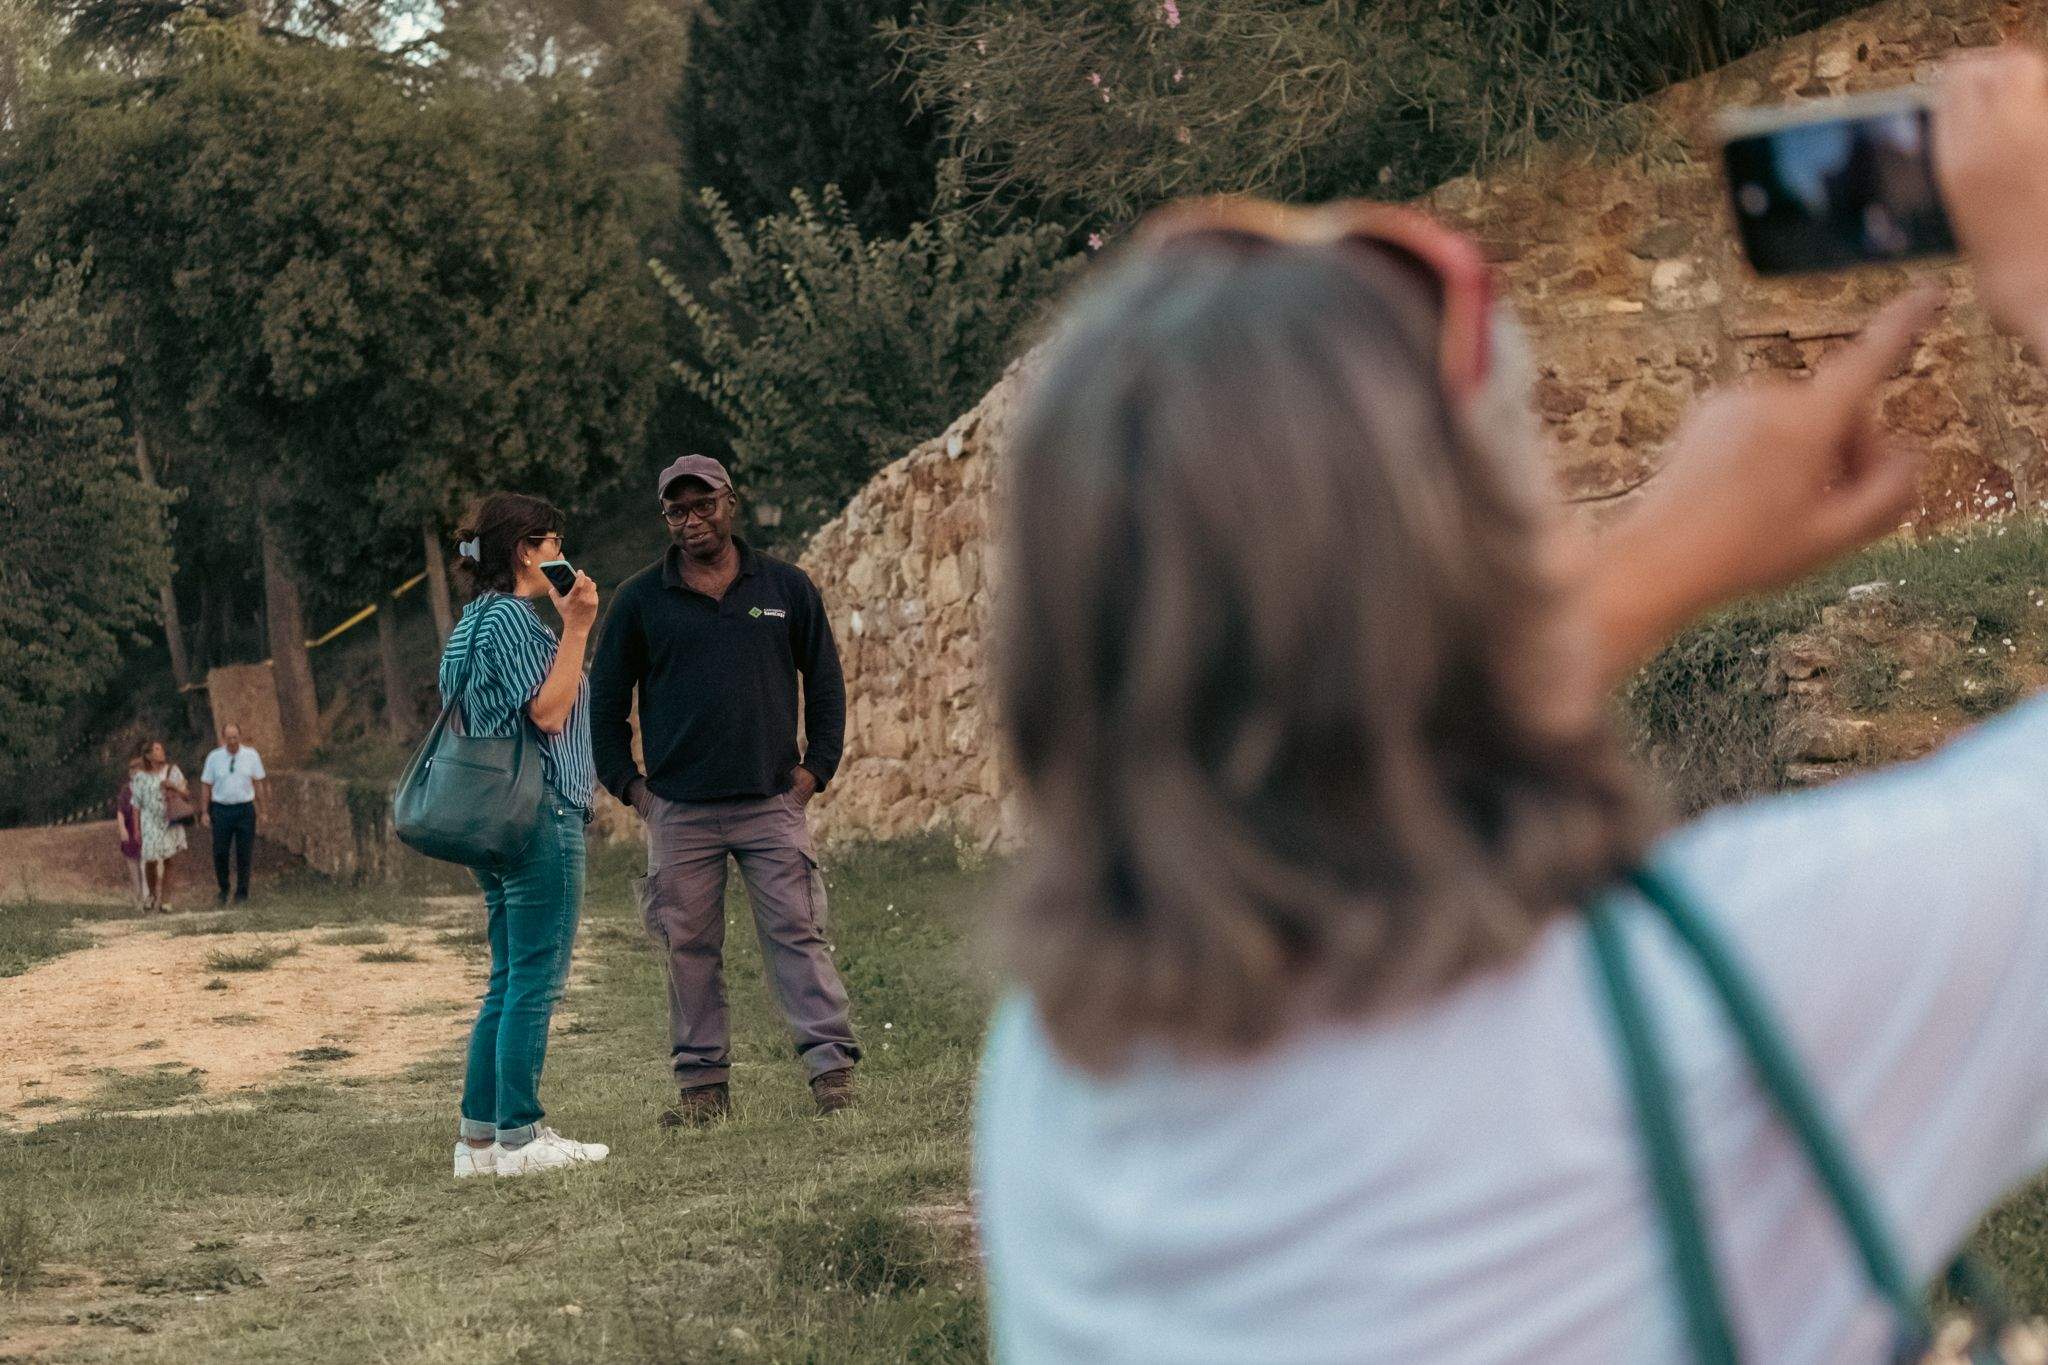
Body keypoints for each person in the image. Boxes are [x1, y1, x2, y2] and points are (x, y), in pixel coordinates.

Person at [974, 48, 2048, 1364]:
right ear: (1510, 557)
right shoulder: (1718, 1012)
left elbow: (1343, 743)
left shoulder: (1058, 1083)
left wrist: (1653, 570)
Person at [589, 454, 859, 1125]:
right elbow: (604, 704)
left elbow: (825, 682)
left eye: (703, 504)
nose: (691, 520)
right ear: (666, 518)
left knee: (797, 934)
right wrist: (632, 788)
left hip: (772, 802)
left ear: (729, 503)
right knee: (688, 947)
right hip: (679, 812)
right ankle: (703, 1088)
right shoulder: (640, 601)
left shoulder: (787, 587)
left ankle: (831, 1073)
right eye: (677, 510)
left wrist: (813, 771)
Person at [439, 491, 609, 1180]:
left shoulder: (467, 626)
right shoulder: (515, 620)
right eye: (553, 544)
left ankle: (478, 1142)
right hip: (541, 811)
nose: (560, 556)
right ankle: (520, 1137)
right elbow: (548, 711)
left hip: (491, 815)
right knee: (535, 977)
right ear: (526, 550)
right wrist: (577, 629)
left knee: (507, 976)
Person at [198, 721, 267, 905]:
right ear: (223, 738)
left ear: (240, 736)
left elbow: (258, 783)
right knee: (220, 851)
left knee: (244, 852)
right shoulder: (214, 757)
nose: (232, 741)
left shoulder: (251, 755)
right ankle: (224, 888)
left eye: (235, 737)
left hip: (245, 809)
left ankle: (242, 892)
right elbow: (206, 784)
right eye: (229, 738)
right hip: (221, 809)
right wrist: (204, 811)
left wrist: (263, 810)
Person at [129, 739, 189, 914]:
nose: (161, 752)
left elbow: (186, 794)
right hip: (149, 821)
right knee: (151, 859)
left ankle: (166, 900)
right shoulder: (140, 777)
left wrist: (174, 787)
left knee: (170, 859)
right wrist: (136, 829)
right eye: (156, 749)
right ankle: (152, 895)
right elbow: (136, 804)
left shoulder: (172, 771)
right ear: (148, 755)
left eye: (161, 748)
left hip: (169, 819)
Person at [113, 754, 145, 911]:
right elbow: (120, 811)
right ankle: (138, 896)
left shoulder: (147, 788)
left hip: (145, 829)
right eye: (133, 769)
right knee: (133, 864)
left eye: (138, 769)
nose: (135, 772)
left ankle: (147, 897)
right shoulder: (126, 790)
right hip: (130, 828)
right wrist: (122, 829)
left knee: (145, 864)